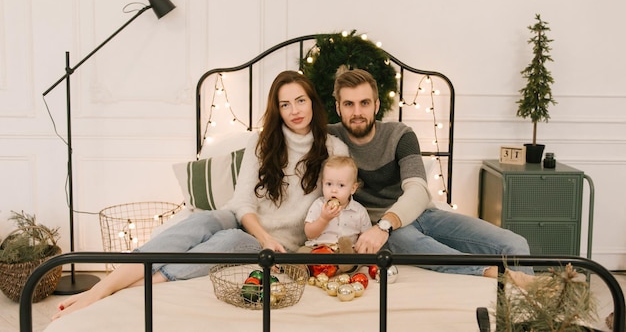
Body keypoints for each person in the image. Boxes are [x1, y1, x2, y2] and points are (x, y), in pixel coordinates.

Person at [53, 70, 349, 319]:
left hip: (280, 244)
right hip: (247, 222)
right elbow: (243, 201)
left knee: (229, 241)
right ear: (278, 110)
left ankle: (133, 286)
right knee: (203, 221)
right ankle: (102, 288)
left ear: (313, 102)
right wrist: (262, 236)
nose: (294, 110)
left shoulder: (334, 149)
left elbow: (340, 199)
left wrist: (270, 241)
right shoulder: (263, 143)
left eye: (300, 101)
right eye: (285, 105)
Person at [327, 67, 534, 279]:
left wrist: (384, 226)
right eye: (349, 104)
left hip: (419, 215)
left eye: (365, 103)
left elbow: (418, 190)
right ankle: (491, 274)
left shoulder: (400, 135)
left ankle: (530, 308)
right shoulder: (329, 140)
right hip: (390, 231)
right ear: (338, 108)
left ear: (377, 105)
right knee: (407, 242)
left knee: (515, 244)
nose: (357, 112)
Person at [300, 155, 371, 273]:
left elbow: (365, 238)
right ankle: (301, 270)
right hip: (318, 248)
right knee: (301, 253)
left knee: (356, 256)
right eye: (329, 184)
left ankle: (347, 264)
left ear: (353, 188)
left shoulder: (359, 211)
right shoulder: (318, 205)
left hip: (345, 250)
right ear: (322, 183)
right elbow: (309, 233)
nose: (334, 190)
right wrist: (323, 219)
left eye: (341, 185)